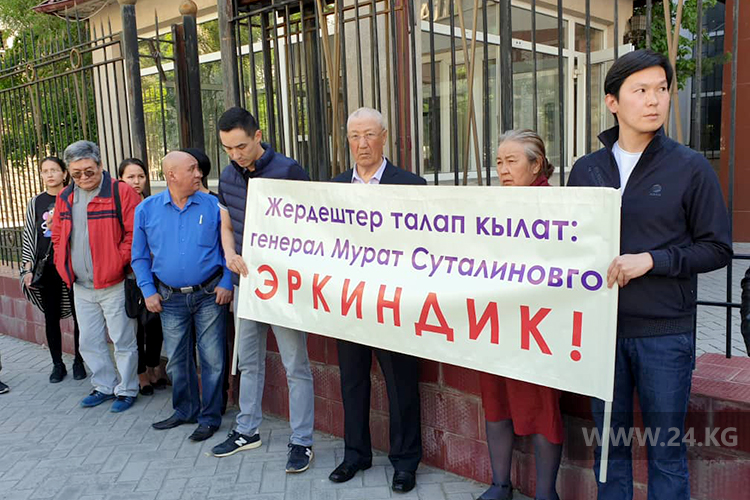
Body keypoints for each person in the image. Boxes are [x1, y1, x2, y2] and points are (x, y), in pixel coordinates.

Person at [567, 49, 732, 500]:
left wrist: (652, 260)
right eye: (640, 90)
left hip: (664, 334)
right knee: (609, 450)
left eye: (661, 89)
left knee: (665, 453)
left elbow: (717, 247)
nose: (654, 100)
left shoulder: (689, 167)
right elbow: (569, 245)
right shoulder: (586, 170)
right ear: (612, 101)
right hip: (602, 334)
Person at [210, 107, 316, 475]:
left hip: (283, 287)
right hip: (246, 284)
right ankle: (246, 430)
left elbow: (312, 228)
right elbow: (226, 225)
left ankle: (302, 440)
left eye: (240, 146)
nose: (235, 154)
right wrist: (229, 255)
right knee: (248, 361)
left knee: (295, 365)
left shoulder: (289, 171)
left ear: (258, 136)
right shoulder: (227, 174)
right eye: (227, 148)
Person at [328, 107, 425, 493]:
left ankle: (405, 462)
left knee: (401, 384)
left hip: (394, 302)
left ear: (385, 137)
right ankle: (355, 454)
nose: (362, 144)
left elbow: (426, 245)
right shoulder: (334, 187)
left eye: (369, 134)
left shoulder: (412, 185)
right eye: (354, 136)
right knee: (352, 381)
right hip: (349, 301)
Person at [479, 130, 562, 500]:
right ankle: (501, 484)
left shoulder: (557, 206)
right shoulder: (493, 204)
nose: (503, 169)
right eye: (499, 161)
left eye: (512, 161)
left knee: (542, 406)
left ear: (536, 164)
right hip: (496, 321)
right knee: (495, 399)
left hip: (539, 325)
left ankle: (546, 493)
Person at [131, 151, 232, 442]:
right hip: (169, 297)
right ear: (172, 175)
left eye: (198, 169)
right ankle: (185, 410)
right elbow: (139, 256)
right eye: (192, 169)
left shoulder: (214, 205)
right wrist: (148, 290)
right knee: (177, 359)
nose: (199, 174)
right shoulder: (146, 209)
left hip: (210, 294)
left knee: (213, 359)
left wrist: (227, 281)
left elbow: (230, 247)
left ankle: (210, 417)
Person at [51, 140, 141, 413]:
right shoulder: (65, 197)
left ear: (100, 165)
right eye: (76, 173)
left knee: (123, 340)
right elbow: (57, 235)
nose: (83, 178)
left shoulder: (120, 192)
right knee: (88, 341)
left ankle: (127, 389)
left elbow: (134, 234)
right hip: (81, 285)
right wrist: (62, 263)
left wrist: (117, 261)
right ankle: (103, 385)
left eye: (88, 171)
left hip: (114, 282)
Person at [20, 157, 86, 383]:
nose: (49, 174)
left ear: (64, 173)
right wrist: (27, 269)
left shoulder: (74, 197)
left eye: (54, 170)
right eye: (45, 171)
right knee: (51, 318)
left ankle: (79, 361)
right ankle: (57, 364)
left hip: (73, 265)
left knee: (80, 316)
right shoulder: (36, 202)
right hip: (47, 267)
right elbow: (30, 236)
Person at [118, 158, 168, 396]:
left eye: (141, 176)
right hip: (129, 275)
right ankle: (140, 374)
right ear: (120, 179)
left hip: (155, 273)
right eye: (130, 177)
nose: (136, 181)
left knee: (155, 324)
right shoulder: (117, 207)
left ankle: (154, 365)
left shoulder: (152, 204)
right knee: (136, 327)